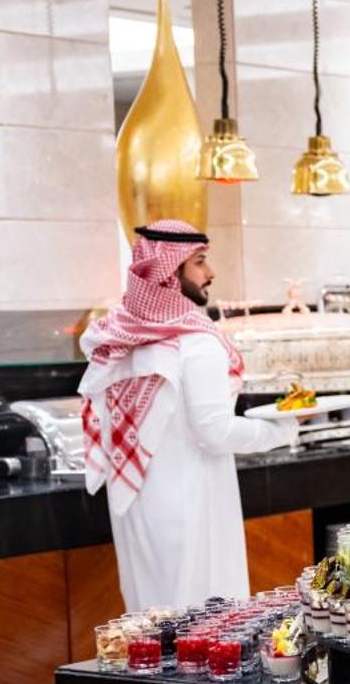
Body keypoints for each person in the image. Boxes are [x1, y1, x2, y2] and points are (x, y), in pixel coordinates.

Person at [79, 220, 297, 611]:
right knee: (203, 628)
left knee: (149, 624)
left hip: (137, 503)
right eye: (199, 262)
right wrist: (284, 429)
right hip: (193, 500)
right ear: (169, 271)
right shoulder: (195, 341)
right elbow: (214, 431)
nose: (210, 273)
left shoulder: (120, 336)